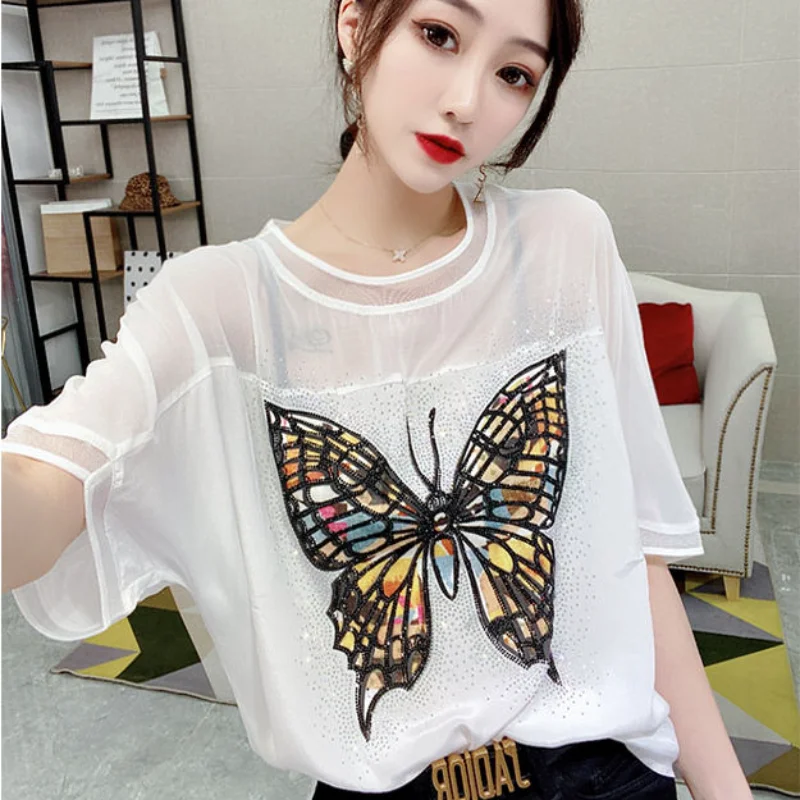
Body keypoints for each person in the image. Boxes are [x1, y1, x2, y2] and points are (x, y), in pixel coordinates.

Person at [1, 1, 753, 798]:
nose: (466, 101)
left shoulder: (565, 245)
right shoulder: (219, 307)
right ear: (355, 25)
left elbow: (634, 563)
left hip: (600, 772)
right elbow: (43, 491)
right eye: (439, 35)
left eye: (513, 73)